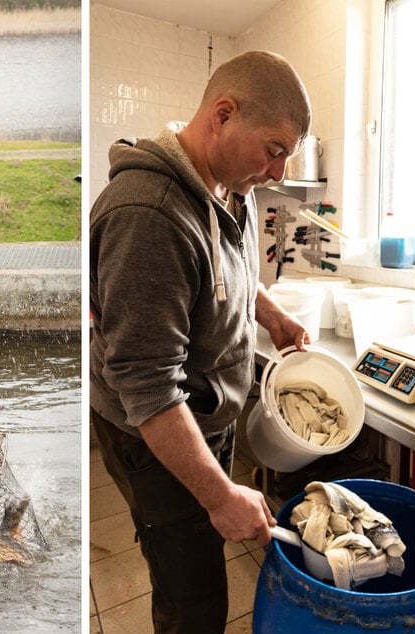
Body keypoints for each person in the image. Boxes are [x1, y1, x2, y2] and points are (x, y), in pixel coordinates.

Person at [89, 51, 313, 632]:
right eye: (275, 150)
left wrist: (271, 315)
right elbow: (147, 387)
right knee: (194, 597)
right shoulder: (149, 215)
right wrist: (219, 496)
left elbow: (220, 278)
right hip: (152, 431)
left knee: (199, 572)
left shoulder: (227, 189)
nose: (280, 173)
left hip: (202, 414)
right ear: (223, 115)